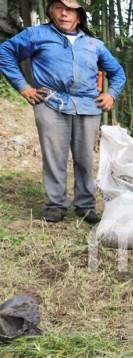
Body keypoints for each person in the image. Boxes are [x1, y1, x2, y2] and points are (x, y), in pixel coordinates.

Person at [0, 0, 126, 224]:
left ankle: (86, 206)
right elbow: (5, 52)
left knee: (85, 158)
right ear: (50, 11)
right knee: (54, 156)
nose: (64, 13)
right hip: (50, 102)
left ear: (79, 15)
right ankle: (56, 205)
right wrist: (23, 87)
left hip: (88, 106)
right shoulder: (36, 35)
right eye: (59, 8)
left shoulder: (93, 44)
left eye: (70, 9)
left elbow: (117, 72)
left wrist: (111, 94)